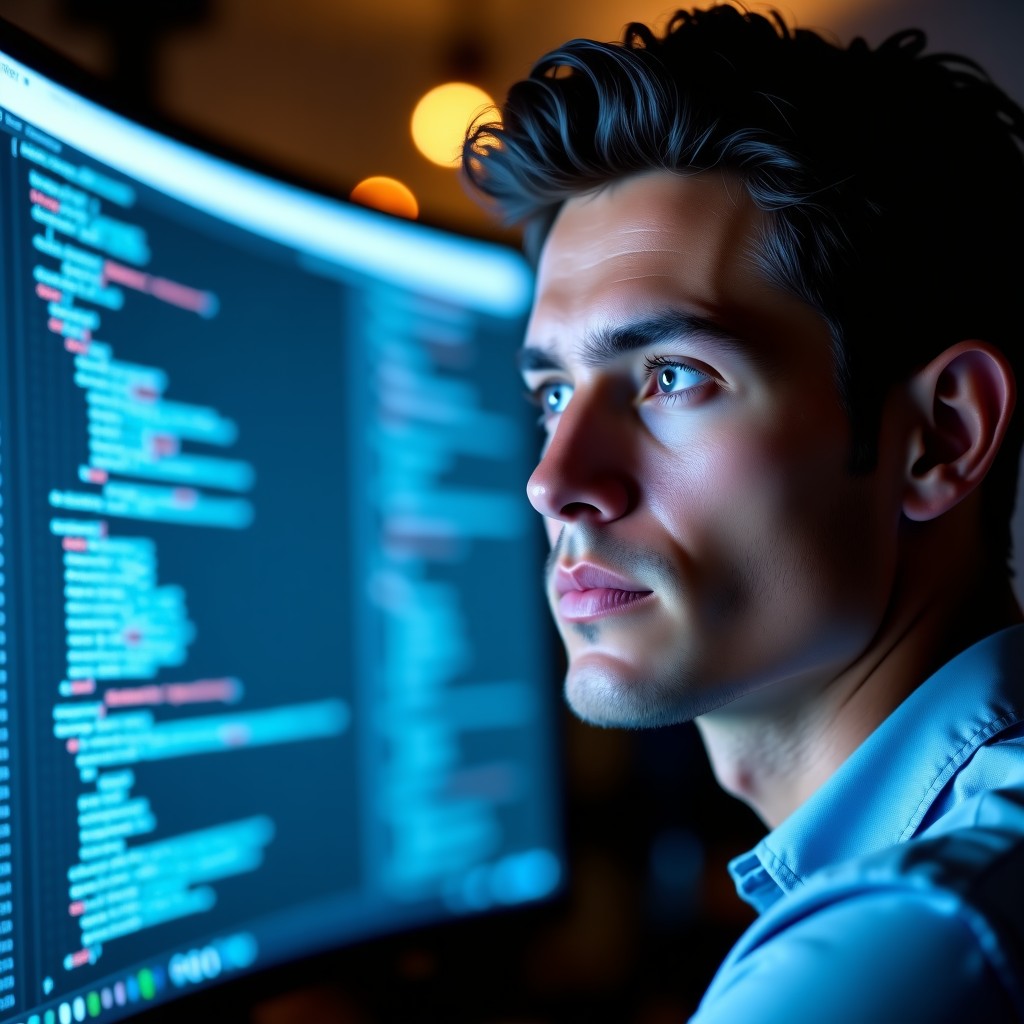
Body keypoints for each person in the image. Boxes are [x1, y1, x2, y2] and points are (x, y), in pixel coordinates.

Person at [462, 4, 1024, 1021]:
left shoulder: (905, 950)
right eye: (551, 393)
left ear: (940, 436)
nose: (555, 481)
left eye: (671, 375)